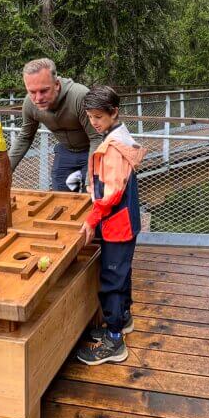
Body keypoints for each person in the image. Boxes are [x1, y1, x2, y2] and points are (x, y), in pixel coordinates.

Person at [76, 86, 145, 366]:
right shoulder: (118, 137)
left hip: (118, 223)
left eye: (98, 117)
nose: (94, 122)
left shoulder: (115, 148)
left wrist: (93, 217)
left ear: (113, 112)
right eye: (91, 117)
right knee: (121, 273)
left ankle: (114, 340)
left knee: (111, 280)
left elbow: (113, 192)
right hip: (124, 221)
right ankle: (123, 319)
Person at [7, 58, 103, 192]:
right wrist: (5, 170)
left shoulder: (79, 96)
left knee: (92, 196)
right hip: (66, 152)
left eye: (44, 91)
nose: (38, 98)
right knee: (61, 196)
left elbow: (97, 138)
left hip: (91, 150)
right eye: (32, 92)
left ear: (57, 84)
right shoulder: (30, 104)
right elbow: (25, 137)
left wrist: (91, 179)